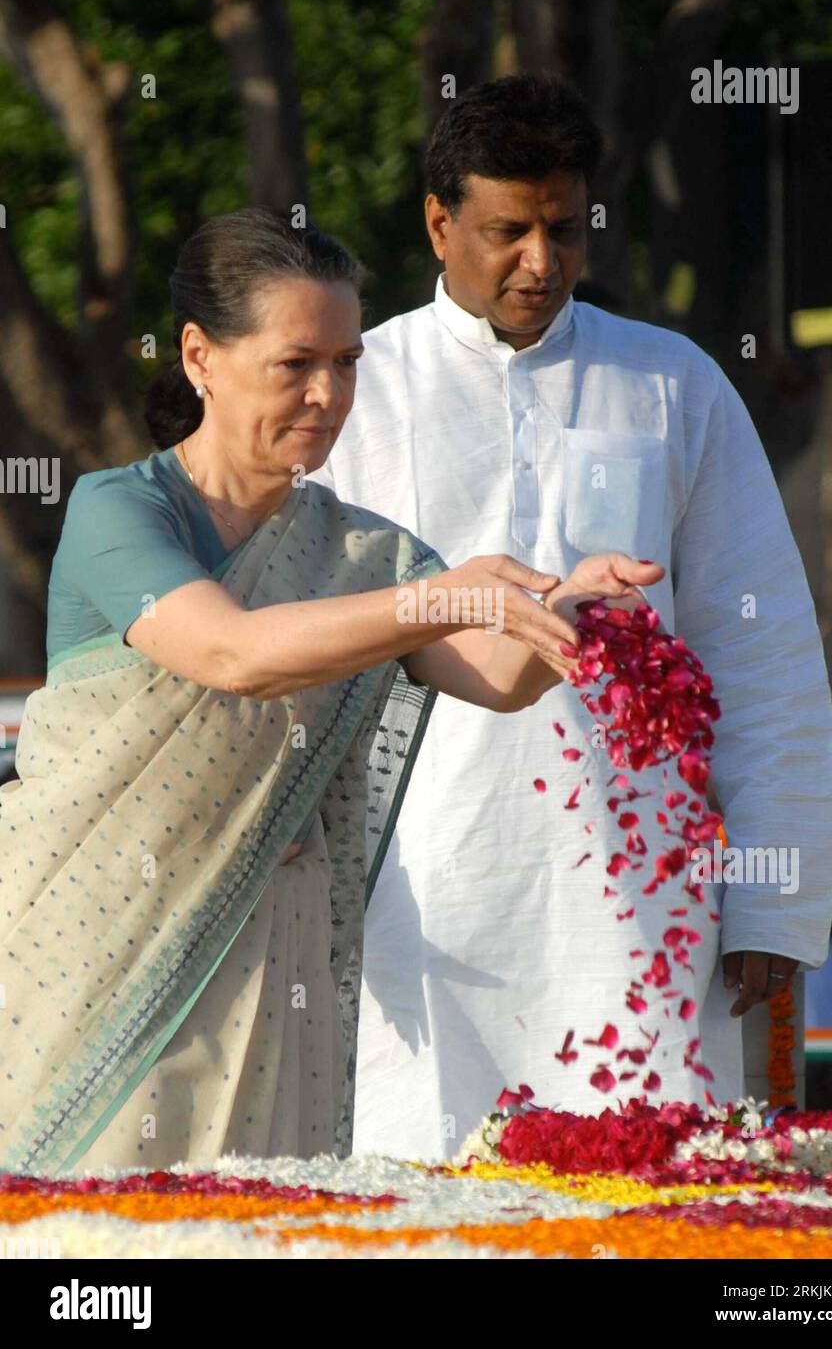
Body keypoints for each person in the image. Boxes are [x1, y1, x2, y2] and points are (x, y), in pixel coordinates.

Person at [0, 207, 657, 1177]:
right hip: (95, 951)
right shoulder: (122, 511)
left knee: (255, 1228)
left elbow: (494, 675)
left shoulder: (361, 552)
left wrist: (575, 608)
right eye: (295, 363)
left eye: (347, 363)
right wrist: (441, 595)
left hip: (272, 965)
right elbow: (231, 653)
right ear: (200, 357)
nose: (327, 394)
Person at [311, 74, 832, 1161]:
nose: (541, 260)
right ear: (438, 222)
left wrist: (776, 901)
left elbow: (764, 645)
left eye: (563, 226)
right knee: (415, 1194)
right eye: (508, 231)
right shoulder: (358, 387)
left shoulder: (670, 382)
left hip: (634, 897)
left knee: (644, 1204)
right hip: (414, 889)